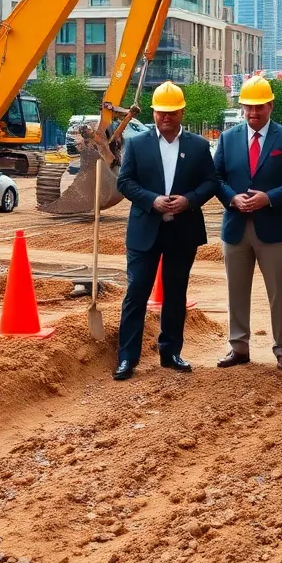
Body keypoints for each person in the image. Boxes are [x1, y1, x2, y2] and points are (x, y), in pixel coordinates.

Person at [112, 81, 217, 381]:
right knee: (136, 292)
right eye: (160, 112)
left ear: (182, 111)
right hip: (145, 231)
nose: (166, 118)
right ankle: (127, 358)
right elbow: (125, 182)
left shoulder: (197, 146)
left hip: (182, 232)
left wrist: (189, 200)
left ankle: (170, 352)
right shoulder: (138, 144)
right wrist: (151, 200)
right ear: (154, 112)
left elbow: (211, 182)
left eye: (171, 112)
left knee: (175, 294)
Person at [212, 76, 282, 373]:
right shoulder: (228, 139)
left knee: (278, 290)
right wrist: (232, 199)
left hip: (273, 227)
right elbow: (215, 179)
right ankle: (238, 346)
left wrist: (269, 198)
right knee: (236, 289)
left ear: (270, 106)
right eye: (248, 108)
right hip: (236, 227)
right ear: (242, 108)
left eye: (259, 108)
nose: (253, 114)